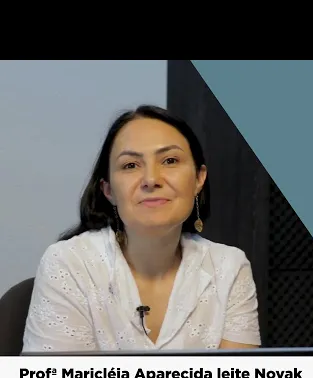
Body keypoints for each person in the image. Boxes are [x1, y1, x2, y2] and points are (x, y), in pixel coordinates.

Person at [22, 105, 261, 352]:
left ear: (199, 179)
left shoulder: (229, 267)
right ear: (108, 190)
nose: (151, 180)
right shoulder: (68, 263)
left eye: (170, 161)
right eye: (130, 165)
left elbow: (238, 377)